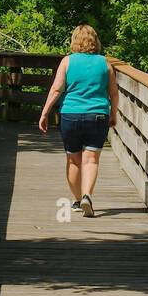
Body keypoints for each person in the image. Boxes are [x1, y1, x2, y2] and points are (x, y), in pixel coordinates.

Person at [38, 24, 118, 218]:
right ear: (94, 41)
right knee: (91, 160)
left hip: (71, 115)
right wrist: (113, 114)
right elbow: (113, 94)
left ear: (74, 40)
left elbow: (57, 89)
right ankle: (87, 196)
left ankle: (76, 200)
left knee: (73, 160)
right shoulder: (105, 63)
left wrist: (45, 113)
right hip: (98, 116)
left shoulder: (67, 62)